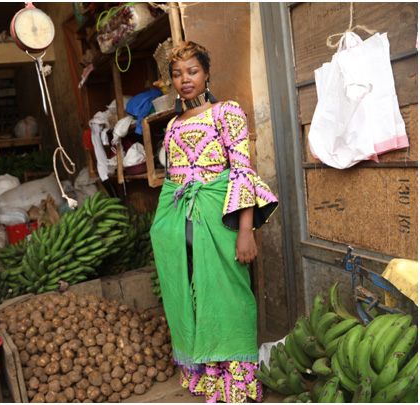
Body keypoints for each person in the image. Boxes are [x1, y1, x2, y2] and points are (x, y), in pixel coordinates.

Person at [149, 41, 279, 403]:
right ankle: (207, 380)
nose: (184, 79)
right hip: (181, 227)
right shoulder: (173, 125)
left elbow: (241, 173)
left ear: (206, 74)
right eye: (177, 74)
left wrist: (246, 231)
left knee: (230, 299)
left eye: (192, 71)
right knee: (192, 299)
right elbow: (173, 180)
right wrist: (163, 231)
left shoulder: (227, 112)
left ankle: (236, 383)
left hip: (219, 222)